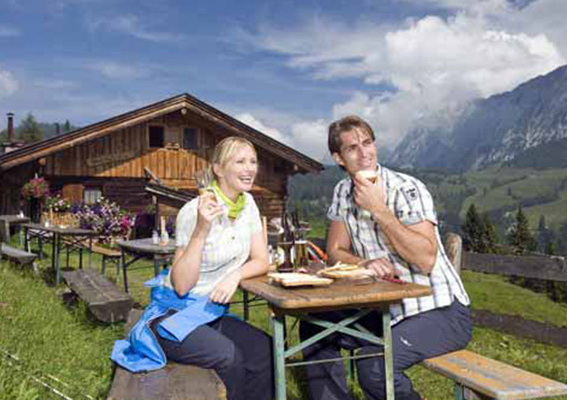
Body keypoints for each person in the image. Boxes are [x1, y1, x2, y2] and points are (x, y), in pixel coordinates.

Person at [300, 115, 472, 400]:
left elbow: (426, 259)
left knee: (374, 367)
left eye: (368, 143)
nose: (364, 152)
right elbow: (334, 251)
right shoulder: (343, 192)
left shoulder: (406, 188)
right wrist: (364, 263)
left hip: (440, 311)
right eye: (353, 147)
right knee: (315, 325)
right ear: (339, 158)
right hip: (386, 308)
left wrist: (379, 209)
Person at [111, 136, 274, 400]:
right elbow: (182, 284)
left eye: (253, 161)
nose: (249, 168)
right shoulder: (193, 211)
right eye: (240, 161)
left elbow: (261, 260)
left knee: (264, 348)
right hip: (172, 316)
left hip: (209, 313)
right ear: (218, 169)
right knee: (229, 356)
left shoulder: (248, 205)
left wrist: (234, 276)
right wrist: (201, 229)